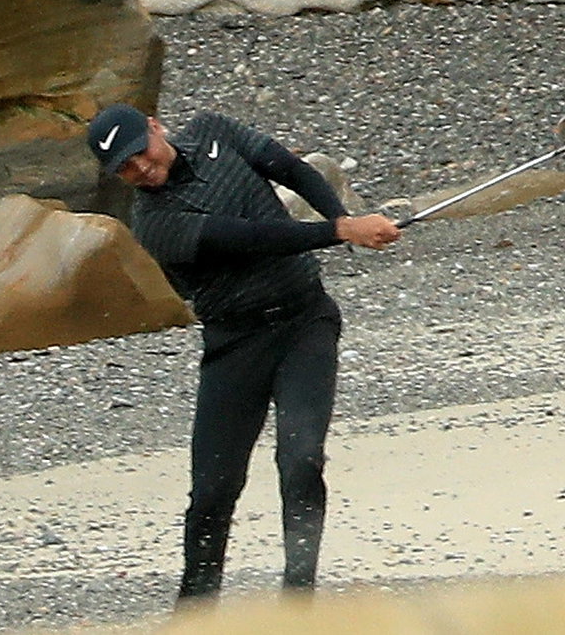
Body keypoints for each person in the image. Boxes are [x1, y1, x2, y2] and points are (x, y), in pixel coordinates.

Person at [85, 103, 401, 603]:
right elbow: (253, 240)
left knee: (300, 460)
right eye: (124, 168)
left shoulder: (215, 131)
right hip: (235, 345)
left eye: (138, 152)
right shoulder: (154, 223)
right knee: (213, 490)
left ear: (154, 126)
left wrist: (345, 218)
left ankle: (298, 602)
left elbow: (290, 169)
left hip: (305, 323)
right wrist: (341, 233)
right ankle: (195, 612)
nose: (139, 169)